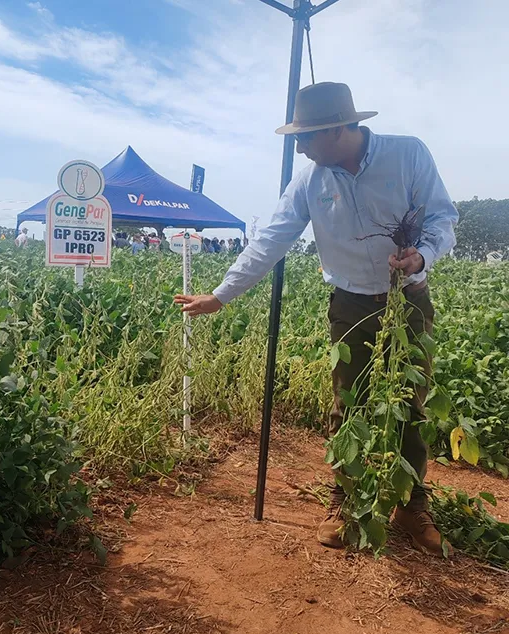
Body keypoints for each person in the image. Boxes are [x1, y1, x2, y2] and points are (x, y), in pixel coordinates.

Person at [174, 82, 458, 556]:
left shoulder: (408, 155)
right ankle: (345, 501)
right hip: (350, 304)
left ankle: (411, 505)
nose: (300, 148)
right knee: (347, 403)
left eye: (305, 137)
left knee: (410, 403)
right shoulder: (310, 182)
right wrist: (222, 296)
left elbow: (443, 218)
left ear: (338, 130)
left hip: (408, 299)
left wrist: (422, 256)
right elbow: (270, 240)